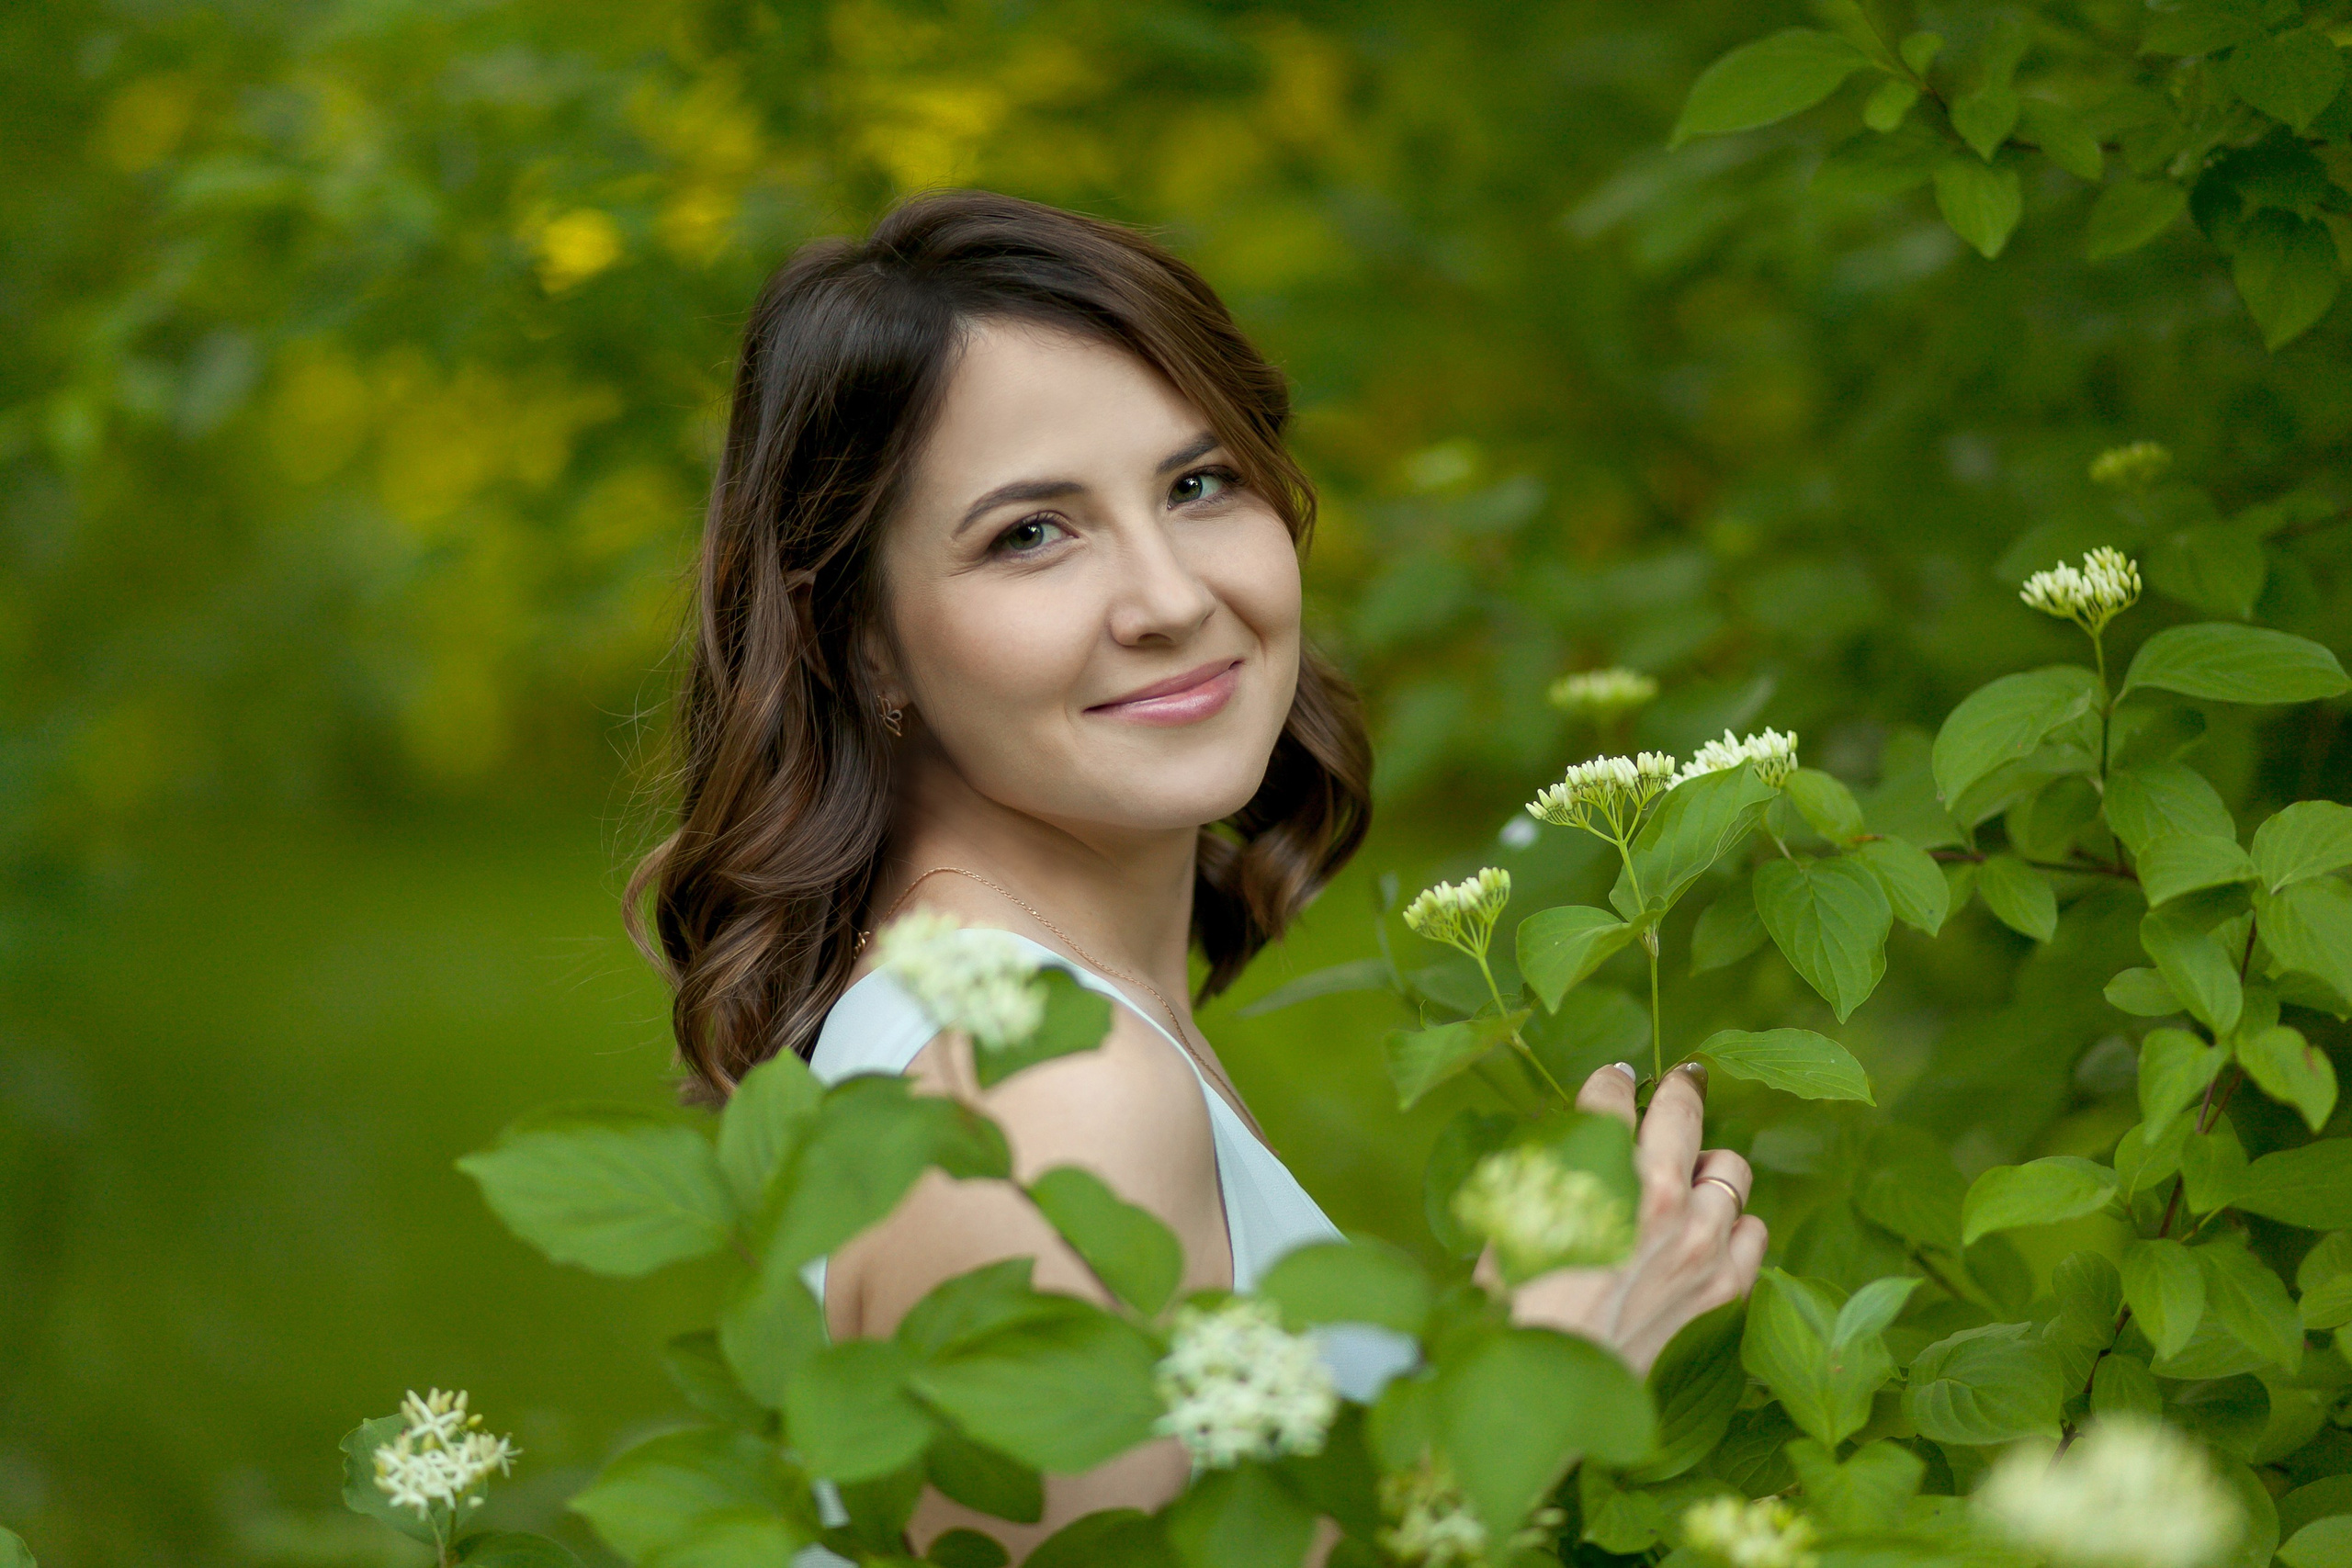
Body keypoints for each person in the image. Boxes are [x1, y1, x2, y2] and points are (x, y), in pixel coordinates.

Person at [628, 188, 1766, 1561]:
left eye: (1198, 483)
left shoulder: (1046, 1029)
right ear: (857, 640)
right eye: (1030, 534)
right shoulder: (1043, 1095)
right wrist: (1528, 1395)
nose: (1169, 596)